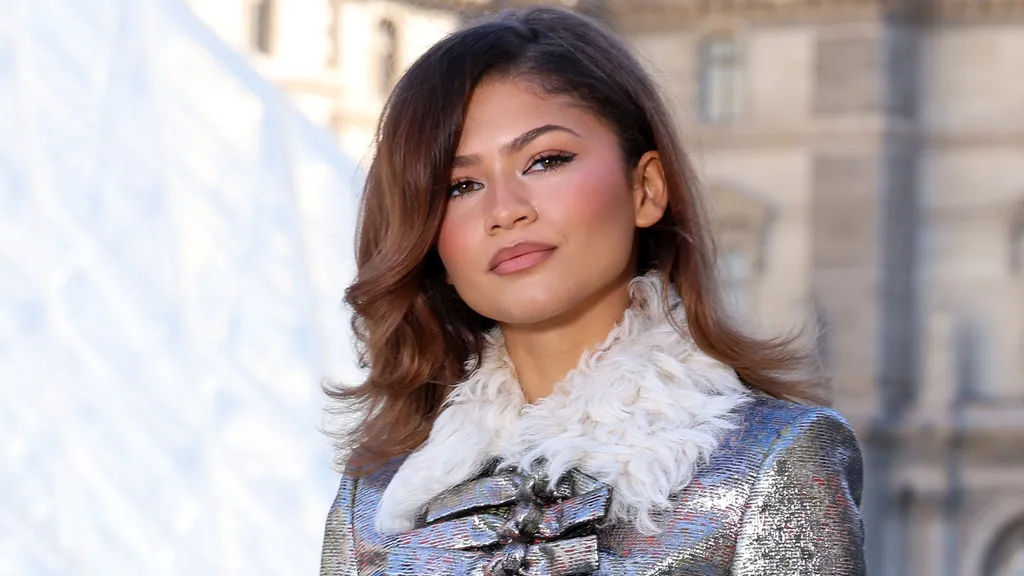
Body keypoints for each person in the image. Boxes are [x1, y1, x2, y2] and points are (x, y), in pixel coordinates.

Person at [320, 6, 865, 575]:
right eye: (461, 186)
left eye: (545, 161)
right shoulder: (375, 501)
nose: (505, 210)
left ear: (646, 188)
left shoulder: (775, 462)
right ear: (431, 242)